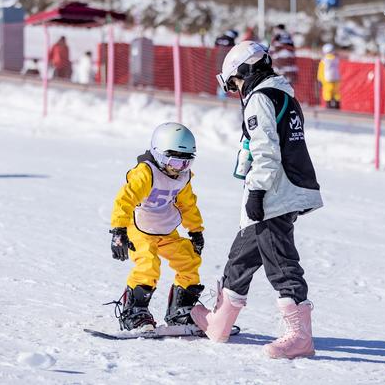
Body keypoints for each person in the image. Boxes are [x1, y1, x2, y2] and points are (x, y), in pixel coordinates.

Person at [191, 41, 323, 359]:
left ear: (246, 72)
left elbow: (266, 149)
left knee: (279, 260)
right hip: (284, 187)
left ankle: (300, 336)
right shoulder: (282, 94)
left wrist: (257, 192)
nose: (236, 89)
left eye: (234, 82)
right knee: (242, 255)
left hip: (276, 193)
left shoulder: (260, 98)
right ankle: (219, 322)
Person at [110, 122, 205, 332]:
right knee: (148, 265)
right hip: (140, 229)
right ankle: (134, 312)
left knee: (189, 260)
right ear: (158, 154)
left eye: (185, 163)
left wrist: (196, 231)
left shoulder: (182, 177)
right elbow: (124, 200)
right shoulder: (146, 173)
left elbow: (187, 204)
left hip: (167, 230)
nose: (178, 169)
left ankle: (181, 310)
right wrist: (119, 231)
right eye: (173, 162)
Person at [317, 43, 341, 109]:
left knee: (327, 91)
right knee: (336, 92)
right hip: (336, 78)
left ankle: (328, 105)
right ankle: (337, 104)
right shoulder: (336, 59)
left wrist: (319, 79)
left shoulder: (324, 60)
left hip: (327, 78)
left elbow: (321, 71)